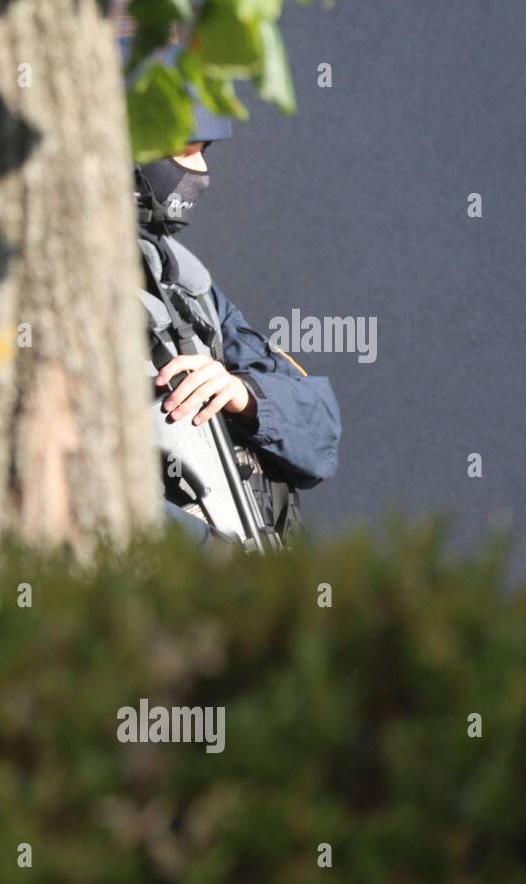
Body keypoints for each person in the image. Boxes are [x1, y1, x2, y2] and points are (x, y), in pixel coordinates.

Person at [135, 85, 342, 546]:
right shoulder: (56, 293)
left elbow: (321, 433)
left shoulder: (185, 285)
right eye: (183, 150)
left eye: (202, 151)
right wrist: (205, 556)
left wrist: (243, 396)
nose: (200, 170)